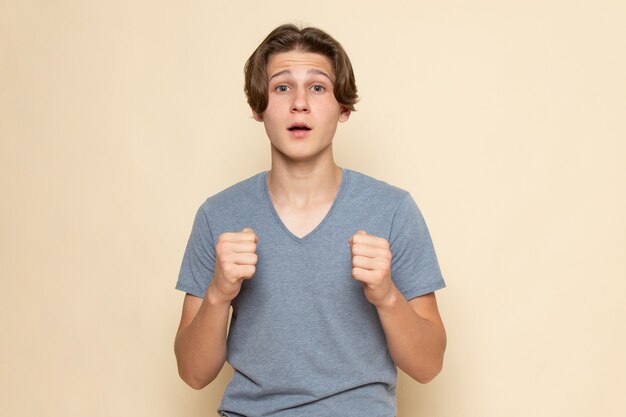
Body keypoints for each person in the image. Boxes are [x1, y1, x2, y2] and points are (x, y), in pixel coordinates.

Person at [174, 23, 447, 417]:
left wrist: (387, 295)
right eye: (282, 87)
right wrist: (218, 293)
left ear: (343, 108)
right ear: (257, 106)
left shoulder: (393, 210)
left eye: (317, 87)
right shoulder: (219, 215)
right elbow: (193, 373)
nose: (299, 103)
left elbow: (429, 365)